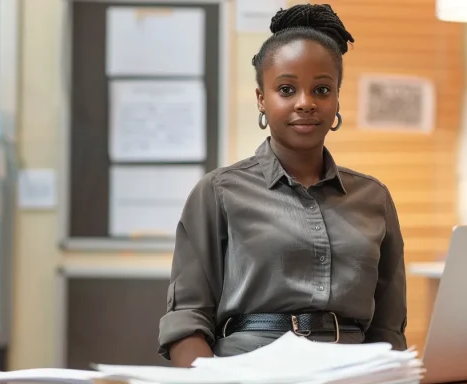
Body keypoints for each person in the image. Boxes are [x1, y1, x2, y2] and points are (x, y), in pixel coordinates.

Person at [158, 3, 406, 368]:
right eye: (287, 89)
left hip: (354, 371)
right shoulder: (219, 192)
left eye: (321, 90)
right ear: (262, 98)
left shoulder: (374, 198)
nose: (305, 103)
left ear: (337, 97)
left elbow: (389, 329)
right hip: (251, 369)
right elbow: (187, 320)